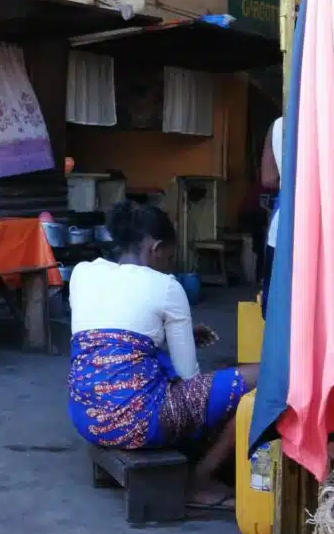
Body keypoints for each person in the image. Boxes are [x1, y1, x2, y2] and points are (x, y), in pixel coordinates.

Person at [67, 200, 258, 510]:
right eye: (169, 257)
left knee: (151, 366)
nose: (170, 265)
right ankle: (200, 481)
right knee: (264, 377)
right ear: (156, 249)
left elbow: (110, 342)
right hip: (137, 423)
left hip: (86, 417)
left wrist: (169, 333)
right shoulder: (167, 287)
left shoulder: (83, 273)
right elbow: (189, 379)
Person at [259, 115, 283, 315]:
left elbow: (268, 179)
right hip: (331, 224)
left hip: (284, 225)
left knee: (277, 306)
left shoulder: (279, 125)